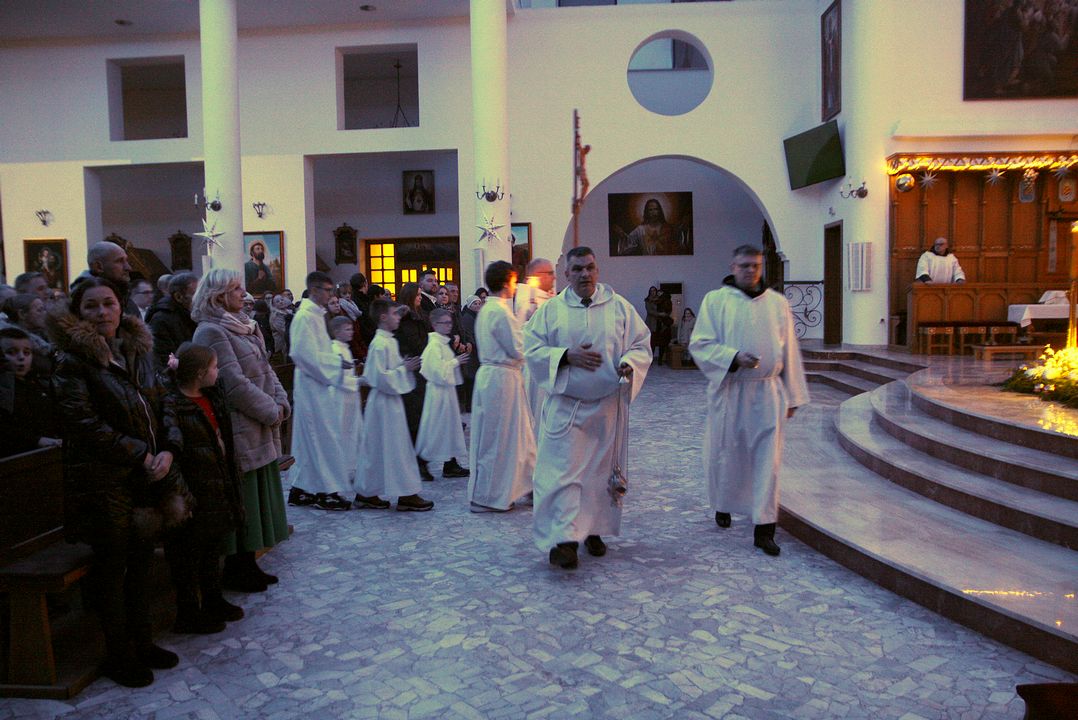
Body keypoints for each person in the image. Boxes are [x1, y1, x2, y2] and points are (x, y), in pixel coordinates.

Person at [48, 277, 182, 687]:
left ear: (121, 307)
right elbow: (83, 422)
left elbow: (164, 400)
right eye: (91, 306)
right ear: (78, 312)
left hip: (145, 474)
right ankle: (117, 654)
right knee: (113, 569)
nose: (102, 312)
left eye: (108, 303)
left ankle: (143, 641)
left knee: (141, 563)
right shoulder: (73, 360)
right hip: (103, 480)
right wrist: (141, 454)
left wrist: (168, 449)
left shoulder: (136, 349)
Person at [524, 247, 651, 569]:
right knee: (564, 474)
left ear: (598, 270)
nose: (585, 274)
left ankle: (593, 530)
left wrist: (629, 363)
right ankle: (565, 541)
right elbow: (532, 348)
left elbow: (640, 344)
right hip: (567, 407)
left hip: (606, 407)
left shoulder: (619, 307)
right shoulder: (552, 311)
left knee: (598, 475)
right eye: (577, 269)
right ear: (566, 274)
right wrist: (565, 356)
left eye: (590, 268)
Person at [689, 244, 810, 557]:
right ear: (733, 267)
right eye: (744, 265)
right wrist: (732, 357)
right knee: (727, 454)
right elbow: (700, 344)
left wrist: (793, 395)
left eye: (756, 265)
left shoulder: (778, 303)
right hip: (731, 389)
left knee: (768, 461)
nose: (751, 271)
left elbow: (789, 350)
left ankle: (764, 529)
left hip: (768, 392)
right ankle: (723, 504)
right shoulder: (716, 301)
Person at [191, 269, 291, 592]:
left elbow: (266, 369)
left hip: (259, 423)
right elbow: (233, 384)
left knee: (256, 497)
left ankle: (249, 562)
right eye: (235, 288)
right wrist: (270, 411)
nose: (243, 293)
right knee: (243, 497)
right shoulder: (211, 331)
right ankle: (237, 566)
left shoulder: (245, 326)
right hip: (240, 426)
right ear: (219, 295)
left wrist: (281, 401)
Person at [164, 343, 246, 634]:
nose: (218, 372)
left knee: (213, 548)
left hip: (216, 484)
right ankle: (189, 611)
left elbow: (219, 386)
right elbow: (173, 443)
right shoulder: (175, 405)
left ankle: (213, 599)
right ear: (200, 373)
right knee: (189, 555)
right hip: (194, 489)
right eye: (214, 367)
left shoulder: (210, 396)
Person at [468, 261, 536, 513]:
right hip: (501, 379)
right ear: (507, 282)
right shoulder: (499, 311)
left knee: (517, 435)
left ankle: (526, 486)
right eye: (514, 281)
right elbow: (518, 349)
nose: (516, 286)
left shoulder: (490, 309)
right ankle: (488, 496)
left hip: (497, 377)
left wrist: (524, 323)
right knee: (499, 438)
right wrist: (531, 328)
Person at [354, 300, 434, 512]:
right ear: (383, 317)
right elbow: (378, 377)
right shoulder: (379, 344)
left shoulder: (387, 341)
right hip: (384, 404)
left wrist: (404, 367)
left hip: (389, 403)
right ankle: (406, 494)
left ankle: (367, 493)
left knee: (381, 449)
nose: (398, 317)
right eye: (394, 314)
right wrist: (404, 369)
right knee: (396, 449)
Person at [287, 271, 355, 511]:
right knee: (321, 438)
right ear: (314, 290)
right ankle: (327, 492)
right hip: (311, 385)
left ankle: (300, 489)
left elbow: (317, 351)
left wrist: (334, 362)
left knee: (311, 440)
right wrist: (334, 363)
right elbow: (301, 353)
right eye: (327, 290)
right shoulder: (305, 316)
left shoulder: (316, 314)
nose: (330, 295)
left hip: (317, 383)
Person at [415, 308, 469, 480]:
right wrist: (455, 362)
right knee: (435, 428)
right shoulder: (433, 346)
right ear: (434, 324)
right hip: (438, 393)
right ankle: (421, 462)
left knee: (450, 428)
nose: (448, 326)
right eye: (444, 323)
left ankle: (450, 463)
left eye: (450, 323)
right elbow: (434, 371)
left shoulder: (443, 343)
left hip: (447, 392)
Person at [0, 326, 61, 459]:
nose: (21, 357)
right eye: (11, 352)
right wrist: (36, 440)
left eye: (27, 352)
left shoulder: (38, 383)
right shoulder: (5, 389)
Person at [328, 315, 365, 492]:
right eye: (347, 329)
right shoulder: (334, 349)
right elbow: (337, 378)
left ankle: (351, 468)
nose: (351, 332)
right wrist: (359, 381)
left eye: (351, 329)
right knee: (342, 433)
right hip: (339, 399)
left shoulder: (345, 348)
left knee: (352, 433)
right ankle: (341, 470)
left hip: (350, 398)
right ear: (336, 331)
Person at [146, 271, 198, 369]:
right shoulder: (161, 320)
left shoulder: (192, 314)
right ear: (179, 297)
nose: (201, 299)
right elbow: (164, 359)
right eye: (196, 294)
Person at [613, 198, 687, 256]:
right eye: (650, 210)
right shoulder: (640, 230)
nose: (653, 212)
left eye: (656, 209)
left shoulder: (667, 228)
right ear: (646, 212)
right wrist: (622, 235)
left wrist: (680, 229)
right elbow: (629, 242)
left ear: (659, 211)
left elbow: (676, 242)